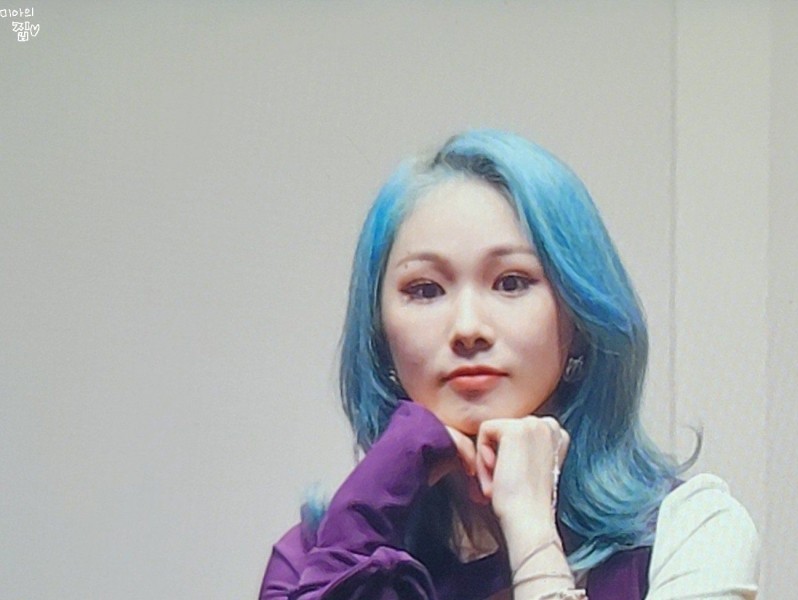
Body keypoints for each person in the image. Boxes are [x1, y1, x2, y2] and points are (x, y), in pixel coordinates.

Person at [259, 130, 759, 600]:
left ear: (580, 316)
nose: (468, 327)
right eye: (426, 289)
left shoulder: (694, 528)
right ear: (379, 334)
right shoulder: (312, 557)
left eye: (512, 282)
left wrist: (532, 533)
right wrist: (369, 503)